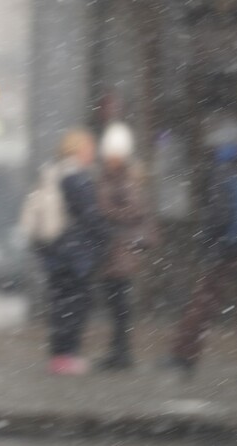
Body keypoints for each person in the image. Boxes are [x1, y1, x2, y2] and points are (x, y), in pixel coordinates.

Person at [165, 145, 237, 386]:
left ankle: (183, 355)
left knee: (203, 303)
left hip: (226, 249)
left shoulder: (220, 174)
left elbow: (218, 215)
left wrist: (208, 243)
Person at [36, 128, 110, 376]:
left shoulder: (54, 171)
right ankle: (67, 355)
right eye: (89, 148)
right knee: (75, 305)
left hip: (56, 250)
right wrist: (105, 236)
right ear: (79, 150)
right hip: (74, 253)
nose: (92, 153)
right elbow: (89, 215)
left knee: (60, 304)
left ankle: (59, 355)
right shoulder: (77, 177)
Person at [94, 121, 153, 371]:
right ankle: (119, 351)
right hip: (115, 248)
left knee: (119, 303)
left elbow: (133, 209)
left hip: (120, 249)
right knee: (117, 302)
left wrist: (106, 211)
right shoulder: (116, 176)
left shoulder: (125, 178)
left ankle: (121, 353)